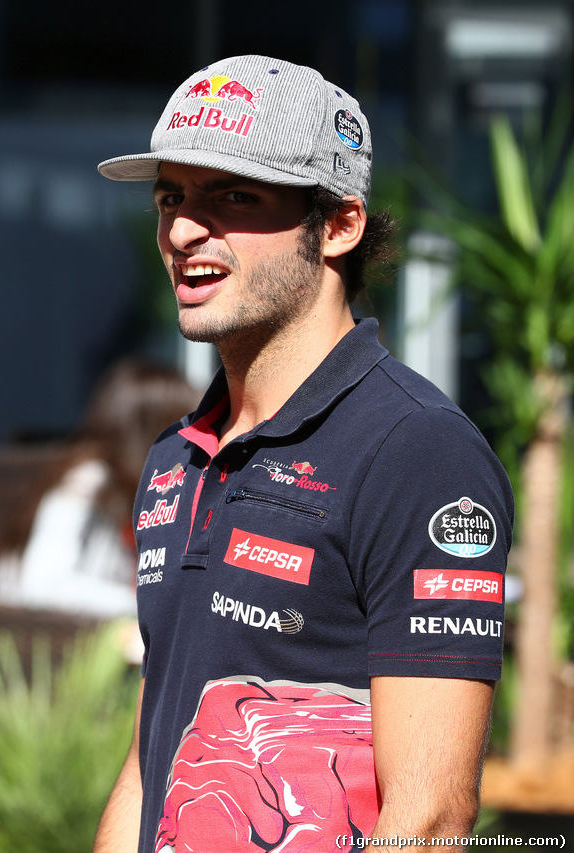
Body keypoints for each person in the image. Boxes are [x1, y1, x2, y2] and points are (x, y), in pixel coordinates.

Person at [91, 56, 513, 853]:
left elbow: (427, 822)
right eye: (172, 197)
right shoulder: (174, 458)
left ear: (341, 225)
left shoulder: (417, 450)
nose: (183, 230)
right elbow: (151, 763)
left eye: (234, 197)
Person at [0, 360, 198, 618]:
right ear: (151, 432)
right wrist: (141, 603)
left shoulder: (125, 483)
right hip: (33, 637)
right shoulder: (86, 480)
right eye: (181, 429)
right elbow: (43, 585)